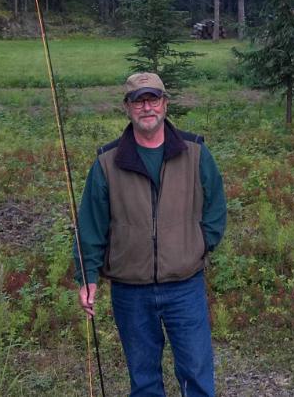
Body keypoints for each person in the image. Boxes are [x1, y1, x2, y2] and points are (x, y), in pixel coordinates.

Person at [74, 72, 227, 397]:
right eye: (138, 100)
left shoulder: (195, 152)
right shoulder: (107, 162)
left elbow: (216, 207)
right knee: (143, 381)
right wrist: (87, 275)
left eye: (153, 99)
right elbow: (90, 226)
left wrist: (200, 244)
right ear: (127, 108)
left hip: (185, 286)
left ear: (165, 104)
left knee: (197, 375)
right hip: (131, 291)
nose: (147, 107)